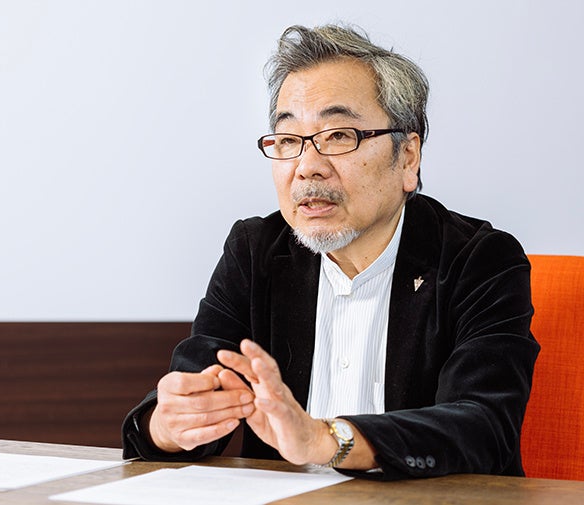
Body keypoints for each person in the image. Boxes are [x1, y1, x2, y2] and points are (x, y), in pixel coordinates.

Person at [122, 23, 539, 481]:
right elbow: (195, 396)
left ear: (408, 158)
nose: (307, 167)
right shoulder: (255, 252)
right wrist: (167, 426)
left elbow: (482, 427)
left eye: (339, 135)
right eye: (288, 140)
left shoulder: (478, 259)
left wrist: (325, 439)